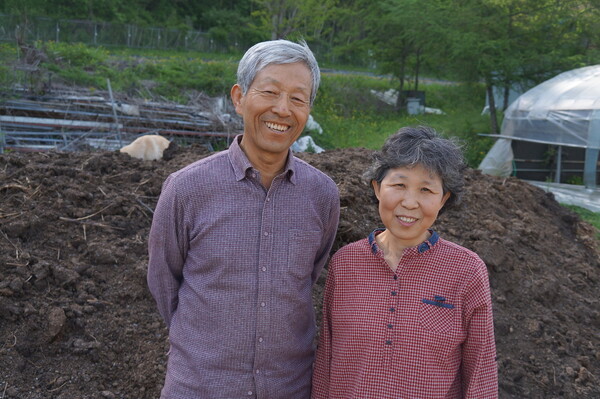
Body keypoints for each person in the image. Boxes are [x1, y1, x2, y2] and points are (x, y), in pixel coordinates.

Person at [147, 39, 340, 399]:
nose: (283, 109)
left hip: (290, 389)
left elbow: (310, 275)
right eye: (270, 92)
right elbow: (164, 282)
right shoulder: (187, 188)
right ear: (239, 97)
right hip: (200, 388)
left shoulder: (322, 195)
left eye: (298, 98)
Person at [312, 126, 498, 398]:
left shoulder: (467, 270)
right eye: (399, 185)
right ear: (377, 188)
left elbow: (480, 374)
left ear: (443, 199)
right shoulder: (345, 263)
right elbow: (326, 358)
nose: (410, 203)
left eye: (426, 189)